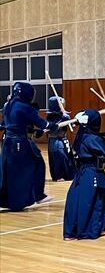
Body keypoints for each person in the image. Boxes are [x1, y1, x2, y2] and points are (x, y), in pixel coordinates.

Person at [63, 109, 105, 240]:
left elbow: (94, 154)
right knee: (97, 200)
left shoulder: (81, 137)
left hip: (82, 173)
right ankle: (90, 230)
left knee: (77, 200)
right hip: (92, 173)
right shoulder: (92, 138)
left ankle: (71, 232)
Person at [0, 82, 56, 211]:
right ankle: (34, 196)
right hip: (19, 143)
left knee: (9, 171)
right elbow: (42, 123)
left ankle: (33, 196)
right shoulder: (24, 106)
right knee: (32, 167)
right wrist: (54, 125)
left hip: (7, 142)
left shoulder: (8, 105)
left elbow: (4, 124)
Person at [46, 96, 75, 182]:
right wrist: (63, 120)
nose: (63, 105)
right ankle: (58, 175)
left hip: (63, 139)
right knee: (58, 157)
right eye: (60, 104)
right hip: (55, 140)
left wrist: (70, 121)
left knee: (67, 157)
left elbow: (71, 125)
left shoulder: (64, 115)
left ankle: (69, 175)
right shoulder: (50, 117)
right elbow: (54, 127)